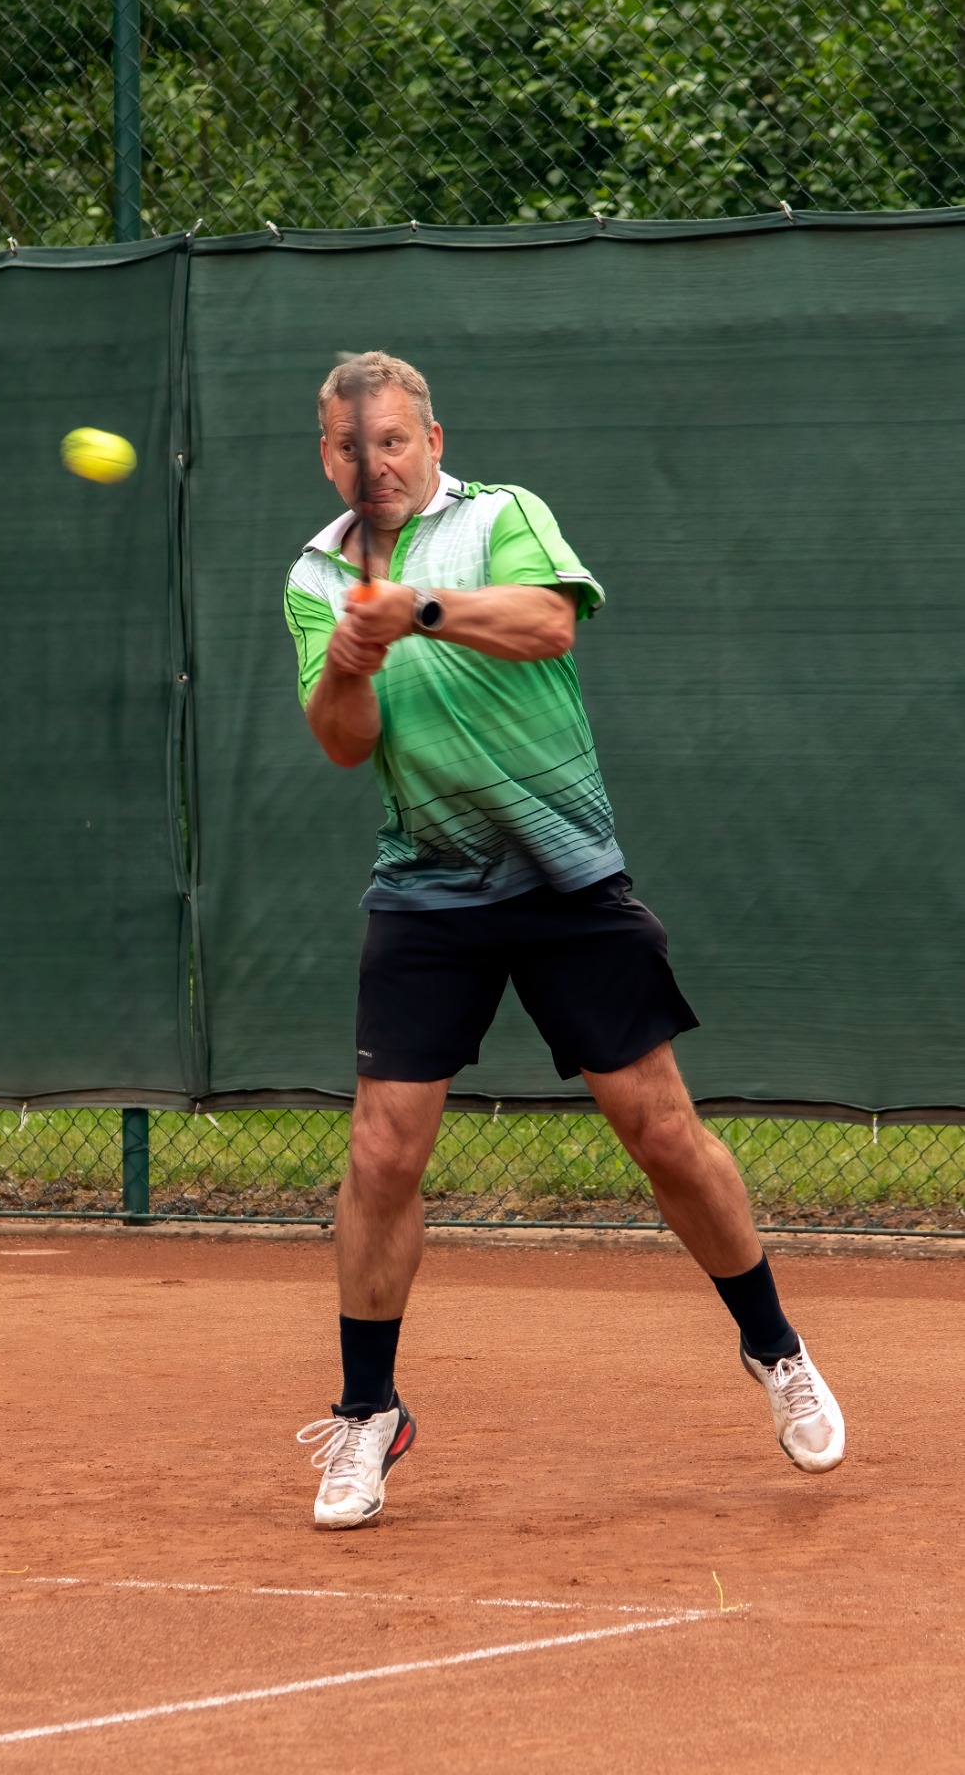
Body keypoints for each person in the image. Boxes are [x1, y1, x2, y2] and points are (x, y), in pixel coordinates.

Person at [284, 350, 845, 1531]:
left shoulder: (500, 517)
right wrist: (348, 658)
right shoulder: (313, 575)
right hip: (425, 889)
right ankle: (368, 1412)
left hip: (564, 877)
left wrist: (418, 610)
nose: (375, 463)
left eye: (393, 440)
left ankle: (774, 1346)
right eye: (351, 445)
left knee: (659, 1130)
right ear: (325, 457)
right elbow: (342, 742)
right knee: (382, 1152)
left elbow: (547, 625)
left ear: (432, 442)